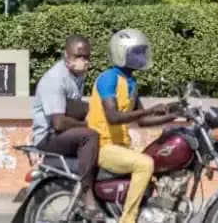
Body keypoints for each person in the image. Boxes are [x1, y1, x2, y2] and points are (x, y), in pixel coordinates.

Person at [87, 29, 178, 223]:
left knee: (157, 159)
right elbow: (113, 117)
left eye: (142, 52)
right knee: (145, 164)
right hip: (102, 145)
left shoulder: (131, 82)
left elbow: (143, 121)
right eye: (136, 52)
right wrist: (149, 110)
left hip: (121, 145)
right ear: (121, 53)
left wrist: (175, 114)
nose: (141, 56)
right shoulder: (108, 79)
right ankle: (128, 219)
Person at [31, 34, 100, 216]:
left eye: (86, 57)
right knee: (90, 135)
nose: (83, 61)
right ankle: (86, 191)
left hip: (60, 133)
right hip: (48, 136)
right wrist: (86, 124)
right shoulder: (55, 78)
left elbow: (74, 107)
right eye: (78, 56)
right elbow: (59, 122)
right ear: (66, 56)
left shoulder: (77, 77)